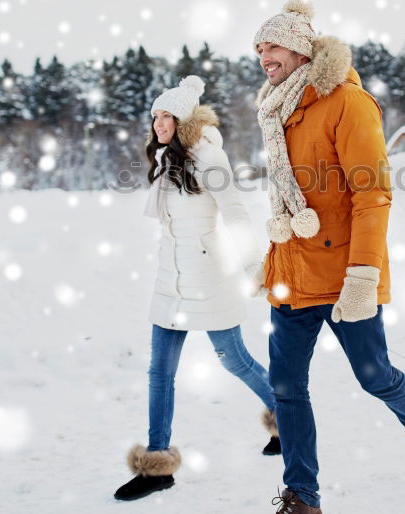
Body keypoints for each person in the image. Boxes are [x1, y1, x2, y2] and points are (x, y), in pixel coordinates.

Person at [252, 0, 405, 514]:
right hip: (292, 275)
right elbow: (290, 195)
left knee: (374, 375)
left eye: (272, 46)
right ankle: (302, 496)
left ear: (298, 50)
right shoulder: (277, 108)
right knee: (287, 388)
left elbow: (372, 195)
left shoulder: (347, 103)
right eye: (259, 48)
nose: (263, 55)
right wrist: (272, 259)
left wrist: (364, 274)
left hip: (343, 275)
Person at [114, 75, 280, 502]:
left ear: (184, 118)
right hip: (171, 280)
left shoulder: (209, 158)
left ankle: (287, 419)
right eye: (155, 116)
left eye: (167, 115)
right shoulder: (168, 161)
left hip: (209, 280)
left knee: (235, 360)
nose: (159, 123)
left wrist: (252, 265)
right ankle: (156, 466)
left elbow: (237, 213)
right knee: (160, 373)